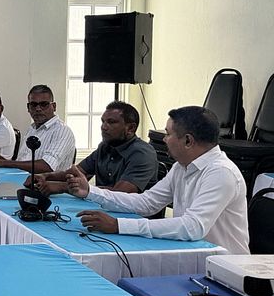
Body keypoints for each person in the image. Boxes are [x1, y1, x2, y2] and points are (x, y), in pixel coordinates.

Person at [69, 106, 249, 254]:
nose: (164, 139)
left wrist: (118, 225)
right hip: (193, 256)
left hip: (226, 268)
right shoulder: (181, 167)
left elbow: (192, 227)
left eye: (168, 134)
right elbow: (147, 202)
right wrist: (90, 192)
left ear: (188, 141)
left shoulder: (221, 172)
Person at [24, 101, 157, 196]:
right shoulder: (105, 146)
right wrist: (45, 176)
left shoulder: (142, 153)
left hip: (134, 218)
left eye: (111, 122)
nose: (104, 127)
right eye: (103, 121)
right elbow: (77, 173)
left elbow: (121, 193)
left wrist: (63, 187)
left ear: (131, 128)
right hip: (104, 208)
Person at [0, 84, 75, 173]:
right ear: (28, 108)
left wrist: (2, 163)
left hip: (47, 184)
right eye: (33, 105)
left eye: (44, 104)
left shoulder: (62, 131)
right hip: (22, 178)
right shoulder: (32, 128)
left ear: (54, 107)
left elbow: (47, 166)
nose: (38, 109)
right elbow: (22, 162)